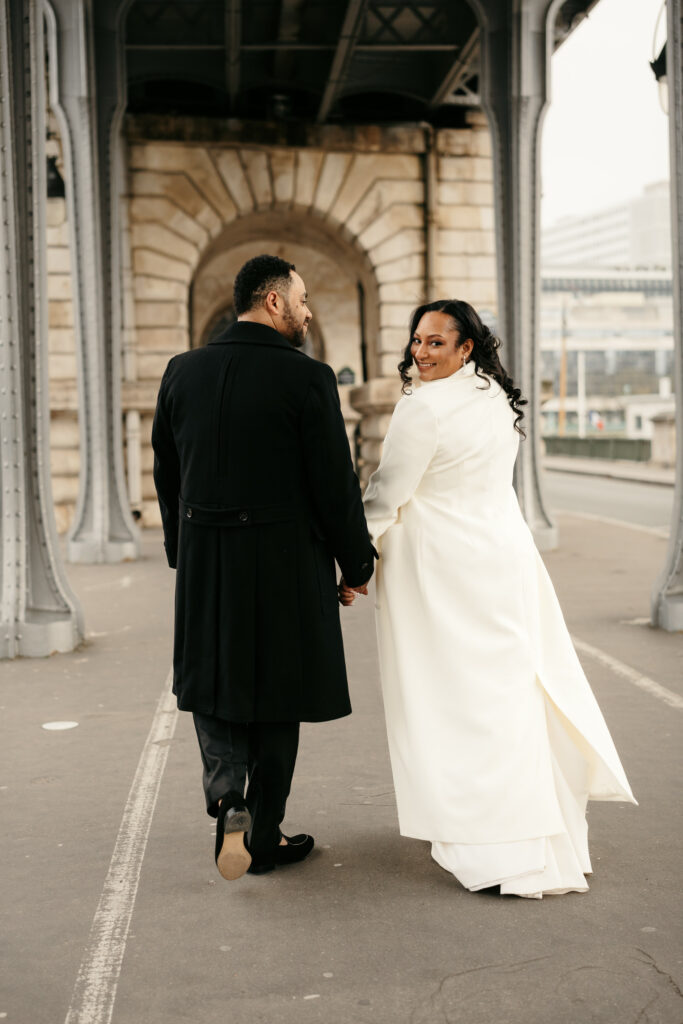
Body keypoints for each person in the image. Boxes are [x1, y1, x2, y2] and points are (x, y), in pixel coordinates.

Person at [340, 299, 636, 898]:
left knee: (447, 697)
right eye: (417, 341)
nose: (420, 352)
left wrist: (354, 560)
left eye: (435, 343)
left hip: (440, 569)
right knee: (506, 695)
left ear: (465, 347)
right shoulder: (495, 399)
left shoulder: (421, 410)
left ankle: (478, 833)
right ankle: (536, 834)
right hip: (502, 559)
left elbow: (386, 495)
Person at [152, 254, 375, 881]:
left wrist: (182, 549)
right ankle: (267, 836)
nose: (308, 312)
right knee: (280, 691)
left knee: (214, 683)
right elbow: (334, 482)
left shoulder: (181, 372)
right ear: (273, 301)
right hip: (285, 561)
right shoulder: (307, 378)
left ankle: (229, 801)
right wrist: (356, 563)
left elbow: (166, 475)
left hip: (206, 558)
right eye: (302, 300)